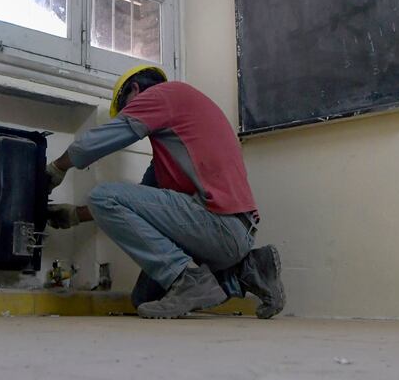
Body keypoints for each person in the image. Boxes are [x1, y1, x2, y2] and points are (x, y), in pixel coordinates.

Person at [45, 65, 285, 319]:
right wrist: (76, 216)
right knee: (144, 299)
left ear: (135, 90)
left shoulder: (163, 94)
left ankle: (189, 279)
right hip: (230, 231)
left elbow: (97, 144)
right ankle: (248, 271)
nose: (131, 114)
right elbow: (142, 201)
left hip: (220, 226)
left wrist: (56, 168)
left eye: (128, 108)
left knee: (101, 195)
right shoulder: (174, 138)